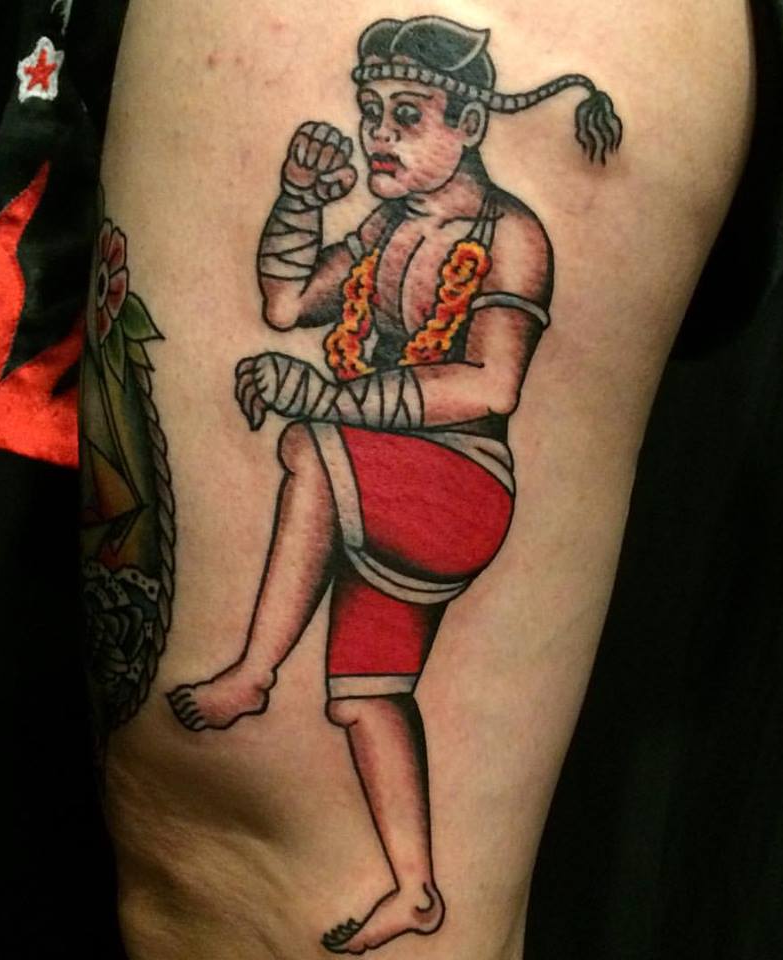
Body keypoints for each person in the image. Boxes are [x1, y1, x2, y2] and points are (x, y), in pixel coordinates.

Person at [165, 16, 621, 954]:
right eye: (371, 111)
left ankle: (253, 675)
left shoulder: (512, 235)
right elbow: (286, 304)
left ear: (469, 124)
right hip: (384, 479)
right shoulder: (386, 225)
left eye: (406, 115)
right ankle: (415, 889)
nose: (377, 133)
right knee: (367, 696)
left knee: (310, 445)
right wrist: (299, 199)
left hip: (460, 486)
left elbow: (491, 385)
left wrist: (329, 399)